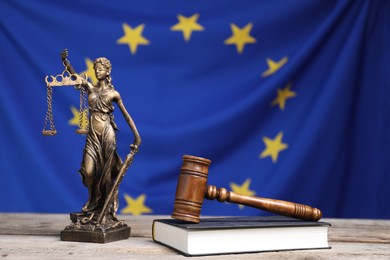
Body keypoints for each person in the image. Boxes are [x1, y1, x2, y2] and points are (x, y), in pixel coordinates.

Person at [61, 50, 141, 221]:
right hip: (92, 135)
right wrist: (66, 63)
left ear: (108, 71)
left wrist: (137, 137)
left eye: (100, 69)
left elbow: (126, 115)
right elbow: (77, 77)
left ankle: (105, 208)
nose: (97, 72)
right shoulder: (91, 88)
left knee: (105, 174)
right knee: (89, 171)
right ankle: (92, 200)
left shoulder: (114, 94)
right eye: (95, 69)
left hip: (107, 134)